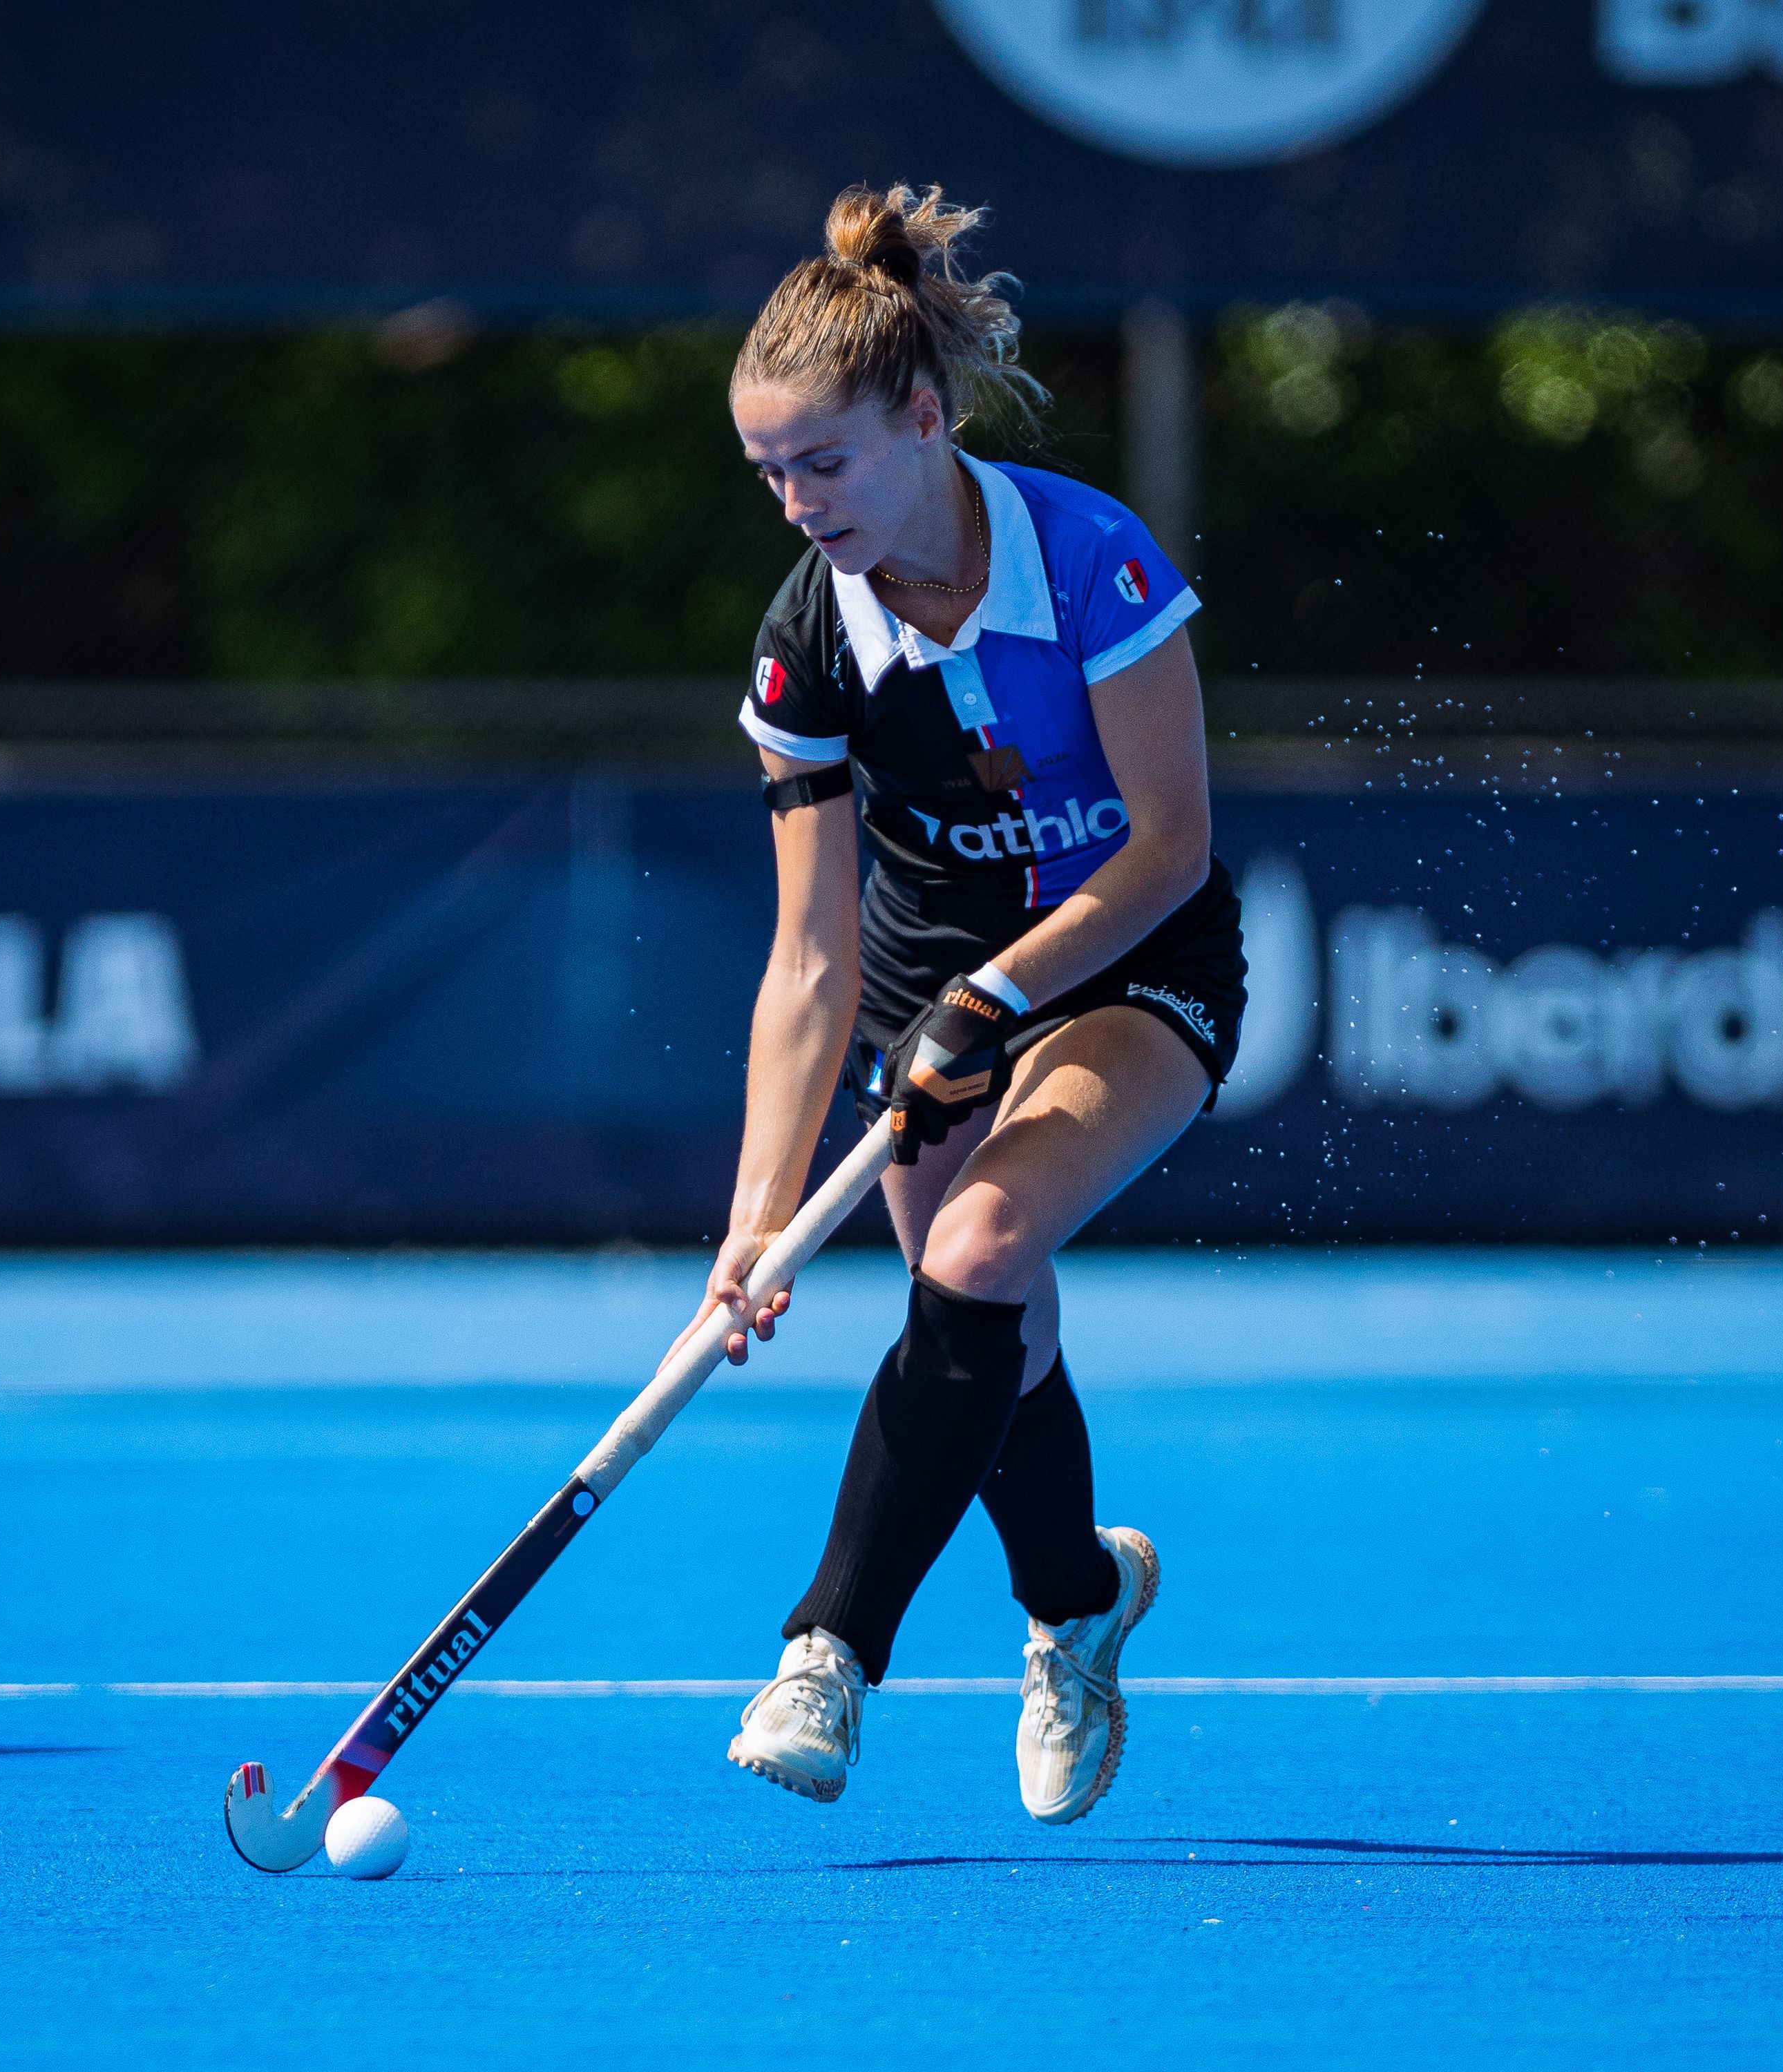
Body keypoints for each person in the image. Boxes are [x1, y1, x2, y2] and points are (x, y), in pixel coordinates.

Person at [669, 182, 1246, 1825]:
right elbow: (807, 961)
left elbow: (1171, 846)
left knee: (981, 1254)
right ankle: (1078, 1600)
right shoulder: (807, 653)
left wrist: (995, 997)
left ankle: (827, 1652)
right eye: (769, 472)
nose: (796, 504)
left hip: (1136, 955)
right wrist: (756, 1219)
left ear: (923, 419)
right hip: (930, 980)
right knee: (988, 1312)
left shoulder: (1088, 559)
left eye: (825, 462)